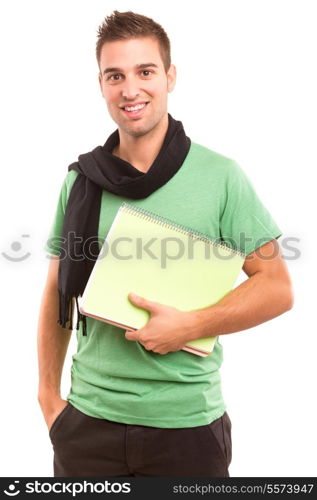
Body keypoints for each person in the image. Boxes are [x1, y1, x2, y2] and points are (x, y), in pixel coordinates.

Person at [37, 10, 293, 478]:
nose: (130, 89)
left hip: (188, 429)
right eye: (116, 75)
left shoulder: (222, 177)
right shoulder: (79, 182)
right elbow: (57, 292)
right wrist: (48, 399)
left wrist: (190, 325)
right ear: (101, 84)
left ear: (170, 77)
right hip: (88, 424)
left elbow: (277, 287)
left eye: (145, 71)